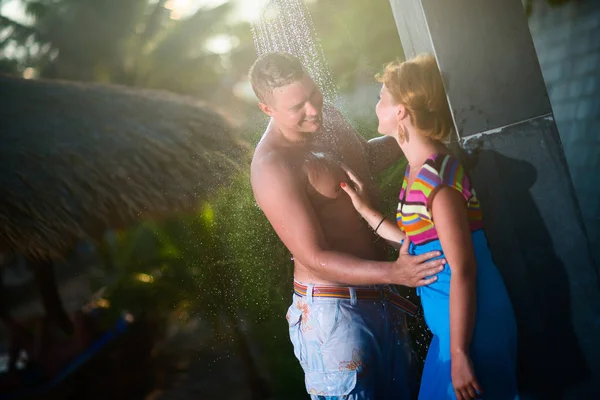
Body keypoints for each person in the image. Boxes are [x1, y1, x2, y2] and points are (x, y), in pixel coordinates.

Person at [249, 52, 446, 399]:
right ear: (267, 109)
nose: (312, 110)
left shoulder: (326, 119)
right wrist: (396, 273)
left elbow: (364, 158)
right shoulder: (273, 165)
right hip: (334, 317)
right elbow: (313, 256)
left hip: (380, 297)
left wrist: (418, 129)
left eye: (313, 96)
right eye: (298, 107)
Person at [341, 54, 519, 400]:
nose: (376, 105)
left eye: (381, 98)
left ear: (401, 112)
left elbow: (464, 269)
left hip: (471, 335)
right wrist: (366, 211)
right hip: (453, 335)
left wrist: (461, 355)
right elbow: (420, 243)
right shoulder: (418, 171)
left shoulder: (437, 180)